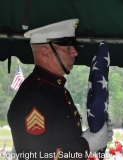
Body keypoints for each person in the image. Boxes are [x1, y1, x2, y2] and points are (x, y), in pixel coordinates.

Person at [7, 19, 113, 160]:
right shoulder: (33, 95)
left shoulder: (56, 90)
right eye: (67, 48)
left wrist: (91, 135)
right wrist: (85, 145)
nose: (75, 52)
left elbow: (61, 138)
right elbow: (35, 155)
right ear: (45, 53)